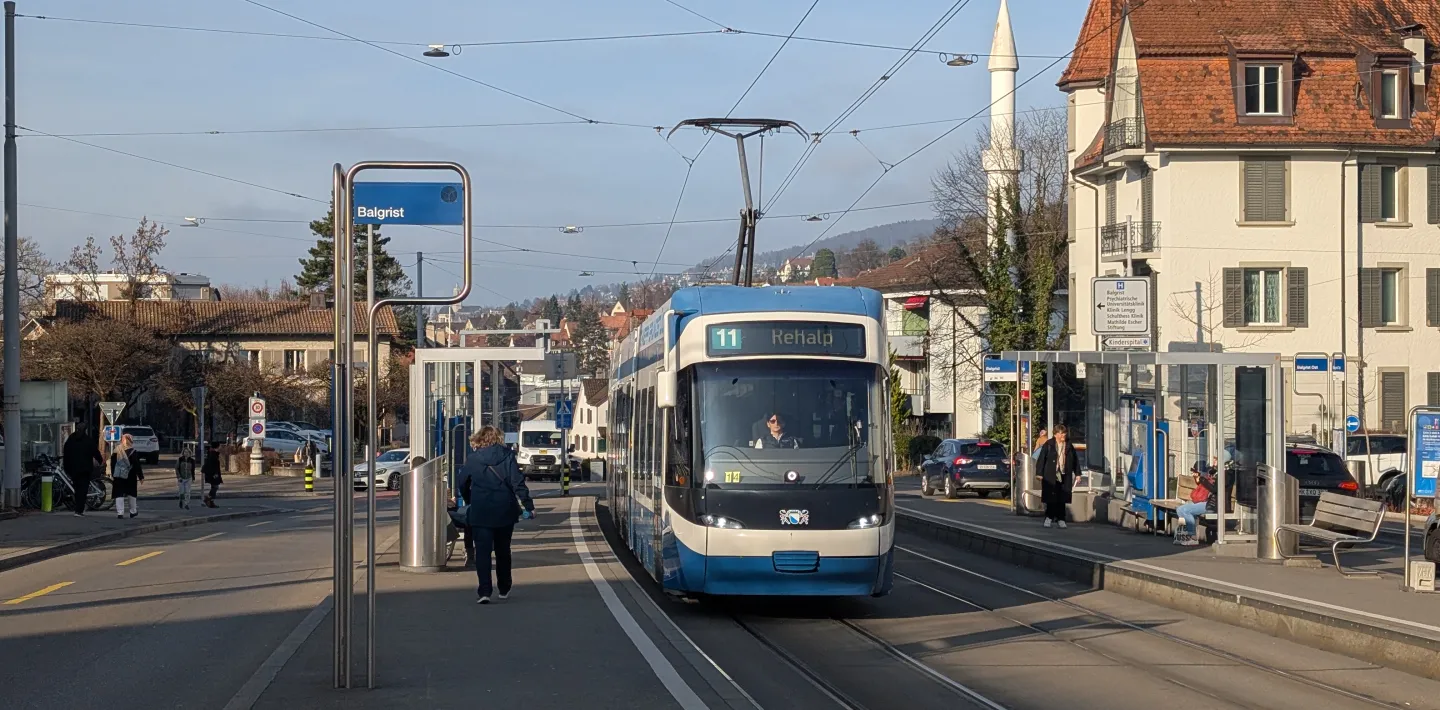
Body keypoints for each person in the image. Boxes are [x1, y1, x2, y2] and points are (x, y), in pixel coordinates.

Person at [458, 426, 535, 604]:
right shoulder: (507, 456)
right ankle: (504, 587)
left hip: (481, 511)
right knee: (503, 550)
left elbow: (462, 483)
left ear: (479, 439)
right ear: (499, 438)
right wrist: (528, 505)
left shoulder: (473, 459)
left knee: (482, 552)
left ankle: (484, 591)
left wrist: (470, 499)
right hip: (504, 511)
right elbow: (518, 482)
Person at [1035, 424, 1079, 529]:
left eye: (1064, 433)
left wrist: (1078, 473)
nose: (1063, 435)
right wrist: (1039, 473)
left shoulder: (1068, 445)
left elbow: (1075, 460)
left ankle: (1061, 519)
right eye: (1061, 433)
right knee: (1051, 498)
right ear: (1056, 434)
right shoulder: (1049, 444)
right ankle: (1048, 518)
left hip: (1064, 475)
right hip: (1050, 476)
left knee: (1062, 498)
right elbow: (1041, 459)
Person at [61, 423, 104, 517]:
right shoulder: (88, 440)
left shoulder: (71, 440)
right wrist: (100, 461)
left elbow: (66, 454)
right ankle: (79, 510)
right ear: (85, 430)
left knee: (76, 489)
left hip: (73, 469)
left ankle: (77, 508)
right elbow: (95, 452)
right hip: (85, 469)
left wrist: (66, 467)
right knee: (83, 490)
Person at [1173, 460, 1218, 546]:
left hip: (1208, 505)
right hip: (1204, 503)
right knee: (1180, 509)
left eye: (1195, 472)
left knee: (1184, 510)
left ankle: (1192, 536)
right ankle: (1191, 533)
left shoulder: (1207, 479)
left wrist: (1200, 480)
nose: (1193, 475)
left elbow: (1199, 497)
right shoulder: (1205, 478)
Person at [110, 433, 145, 519]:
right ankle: (133, 511)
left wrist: (113, 474)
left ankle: (120, 513)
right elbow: (137, 465)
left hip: (118, 475)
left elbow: (112, 464)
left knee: (119, 493)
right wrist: (140, 476)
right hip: (130, 476)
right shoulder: (133, 452)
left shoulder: (116, 450)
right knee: (131, 493)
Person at [175, 444, 197, 510]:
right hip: (181, 478)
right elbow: (176, 468)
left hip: (188, 478)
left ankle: (186, 504)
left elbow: (193, 470)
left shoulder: (192, 460)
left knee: (187, 492)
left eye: (187, 452)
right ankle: (181, 500)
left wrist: (193, 478)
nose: (186, 453)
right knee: (182, 492)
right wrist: (179, 477)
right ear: (183, 453)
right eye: (185, 452)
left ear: (189, 453)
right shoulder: (180, 459)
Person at [201, 444, 223, 508]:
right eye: (220, 447)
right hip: (213, 475)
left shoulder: (213, 454)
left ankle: (211, 501)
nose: (220, 448)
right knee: (215, 487)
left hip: (213, 474)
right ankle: (208, 499)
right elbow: (211, 466)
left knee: (214, 487)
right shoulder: (212, 455)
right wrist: (214, 474)